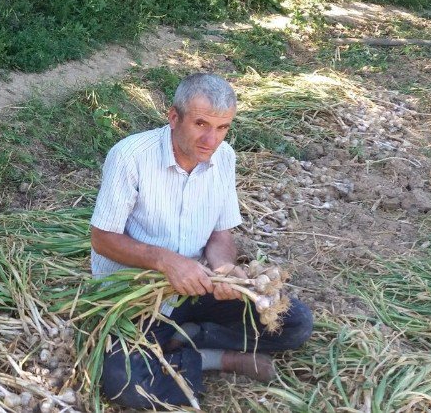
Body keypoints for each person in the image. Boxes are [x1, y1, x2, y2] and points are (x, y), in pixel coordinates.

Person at [91, 73, 313, 409]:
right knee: (126, 384)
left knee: (294, 323)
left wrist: (223, 267)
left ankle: (185, 338)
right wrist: (165, 261)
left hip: (196, 286)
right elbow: (102, 239)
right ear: (173, 117)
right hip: (136, 296)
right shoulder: (130, 156)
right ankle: (214, 357)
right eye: (201, 124)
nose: (212, 139)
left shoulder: (224, 158)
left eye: (223, 128)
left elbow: (220, 234)